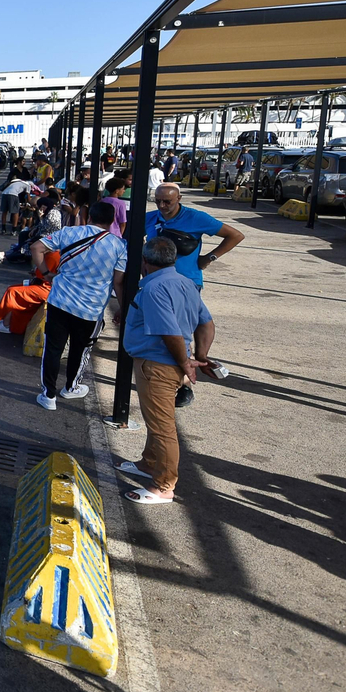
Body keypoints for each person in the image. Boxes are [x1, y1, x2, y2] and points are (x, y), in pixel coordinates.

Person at [117, 236, 218, 504]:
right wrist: (201, 354)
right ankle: (149, 462)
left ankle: (163, 486)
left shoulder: (153, 289)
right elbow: (206, 323)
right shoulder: (186, 283)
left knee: (162, 427)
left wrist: (187, 361)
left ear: (145, 262)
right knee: (157, 418)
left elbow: (169, 331)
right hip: (169, 363)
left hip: (157, 364)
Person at [32, 201, 126, 409]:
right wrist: (122, 307)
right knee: (80, 350)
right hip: (91, 309)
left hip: (60, 302)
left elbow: (36, 247)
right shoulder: (119, 246)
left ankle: (48, 395)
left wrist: (47, 273)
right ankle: (71, 387)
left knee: (53, 348)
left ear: (89, 217)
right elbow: (118, 282)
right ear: (112, 222)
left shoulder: (69, 233)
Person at [146, 183, 243, 291]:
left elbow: (236, 236)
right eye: (158, 201)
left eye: (167, 202)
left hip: (186, 283)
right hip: (154, 283)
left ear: (179, 198)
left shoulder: (195, 218)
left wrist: (209, 257)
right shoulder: (149, 218)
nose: (162, 205)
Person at [0, 247, 59, 334]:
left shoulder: (53, 256)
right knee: (15, 289)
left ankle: (6, 324)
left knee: (13, 292)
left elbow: (42, 274)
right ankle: (6, 320)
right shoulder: (53, 254)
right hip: (47, 285)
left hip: (48, 288)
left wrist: (36, 271)